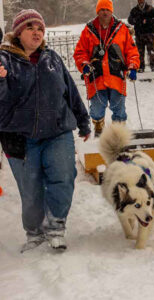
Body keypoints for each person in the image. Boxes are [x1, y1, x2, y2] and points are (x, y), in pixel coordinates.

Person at [0, 9, 91, 252]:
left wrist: (83, 121)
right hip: (19, 138)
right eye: (30, 27)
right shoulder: (4, 60)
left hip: (57, 131)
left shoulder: (52, 59)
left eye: (40, 28)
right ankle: (34, 232)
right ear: (18, 33)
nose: (36, 32)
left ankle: (56, 226)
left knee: (63, 177)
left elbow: (70, 92)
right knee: (30, 190)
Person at [74, 0, 140, 137]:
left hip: (117, 76)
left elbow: (131, 51)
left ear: (112, 11)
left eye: (107, 9)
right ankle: (99, 129)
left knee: (119, 109)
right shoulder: (88, 30)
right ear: (97, 11)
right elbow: (80, 52)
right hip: (96, 77)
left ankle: (118, 134)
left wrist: (133, 67)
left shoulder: (121, 29)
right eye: (102, 9)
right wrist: (84, 65)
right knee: (97, 110)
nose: (105, 12)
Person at [128, 0, 154, 73]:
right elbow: (130, 20)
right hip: (139, 34)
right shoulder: (134, 10)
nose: (140, 1)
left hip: (149, 33)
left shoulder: (150, 9)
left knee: (151, 51)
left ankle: (153, 66)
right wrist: (136, 20)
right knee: (139, 52)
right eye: (139, 0)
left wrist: (148, 21)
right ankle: (141, 67)